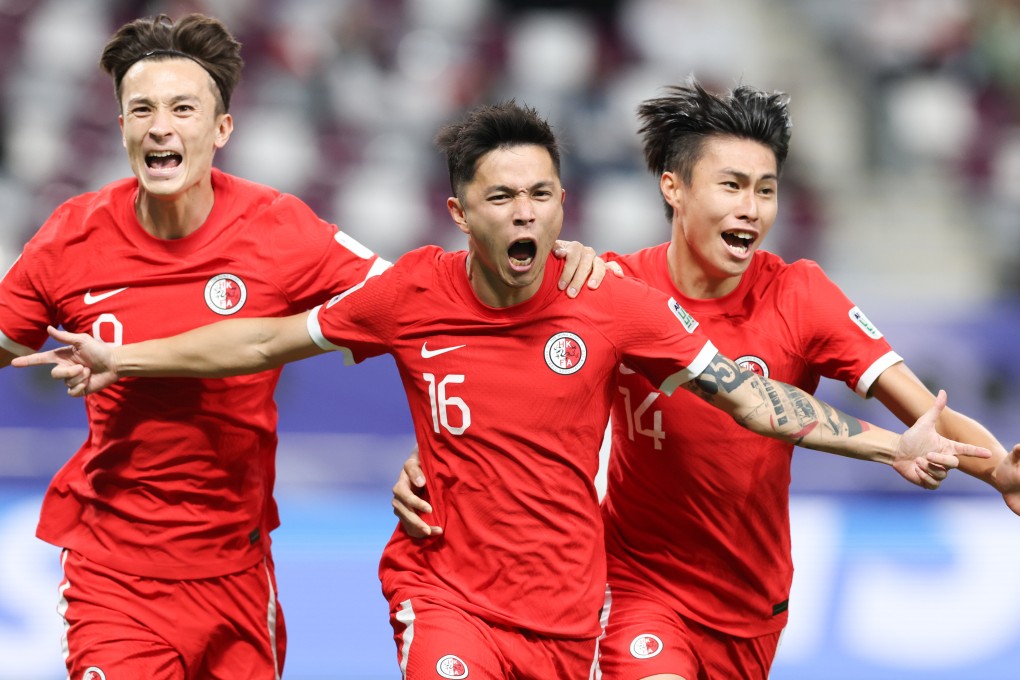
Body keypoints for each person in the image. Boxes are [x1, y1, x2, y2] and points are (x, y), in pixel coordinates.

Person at [14, 100, 991, 680]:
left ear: (562, 204)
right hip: (469, 589)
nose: (524, 213)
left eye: (540, 195)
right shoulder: (412, 292)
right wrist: (129, 357)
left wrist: (895, 444)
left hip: (576, 609)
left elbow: (750, 396)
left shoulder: (612, 301)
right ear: (459, 210)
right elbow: (270, 336)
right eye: (501, 196)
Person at [0, 13, 608, 679]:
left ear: (221, 128)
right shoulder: (71, 237)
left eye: (182, 108)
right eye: (140, 109)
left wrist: (541, 263)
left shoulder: (279, 230)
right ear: (121, 128)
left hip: (238, 569)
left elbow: (425, 308)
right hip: (113, 573)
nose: (160, 126)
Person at [384, 79, 1020, 680]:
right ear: (674, 188)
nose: (751, 208)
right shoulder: (607, 287)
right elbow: (502, 375)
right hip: (636, 585)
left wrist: (998, 472)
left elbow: (922, 412)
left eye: (765, 190)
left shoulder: (801, 296)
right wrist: (439, 459)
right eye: (732, 185)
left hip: (753, 604)